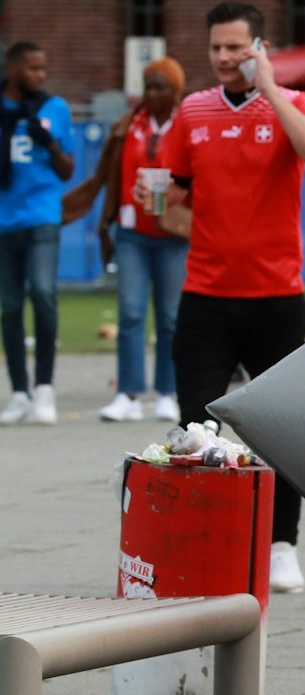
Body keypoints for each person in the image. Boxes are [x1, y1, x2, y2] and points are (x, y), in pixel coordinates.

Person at [161, 3, 305, 592]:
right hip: (205, 296)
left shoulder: (294, 105)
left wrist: (271, 89)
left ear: (259, 47)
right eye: (217, 49)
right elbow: (171, 200)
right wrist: (162, 206)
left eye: (237, 48)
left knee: (280, 429)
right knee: (194, 426)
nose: (225, 59)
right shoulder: (192, 111)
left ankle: (281, 544)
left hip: (276, 298)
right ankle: (200, 543)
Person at [96, 58, 189, 423]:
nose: (151, 94)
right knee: (131, 312)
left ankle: (167, 392)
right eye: (147, 86)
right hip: (132, 232)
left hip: (173, 234)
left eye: (159, 86)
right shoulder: (128, 125)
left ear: (175, 91)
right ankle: (128, 393)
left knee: (169, 316)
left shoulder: (187, 125)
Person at [0, 42, 77, 427]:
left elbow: (67, 170)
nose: (39, 76)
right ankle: (19, 391)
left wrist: (49, 142)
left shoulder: (55, 109)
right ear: (12, 69)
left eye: (43, 68)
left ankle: (44, 387)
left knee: (43, 292)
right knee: (10, 306)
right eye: (32, 68)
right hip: (4, 221)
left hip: (42, 216)